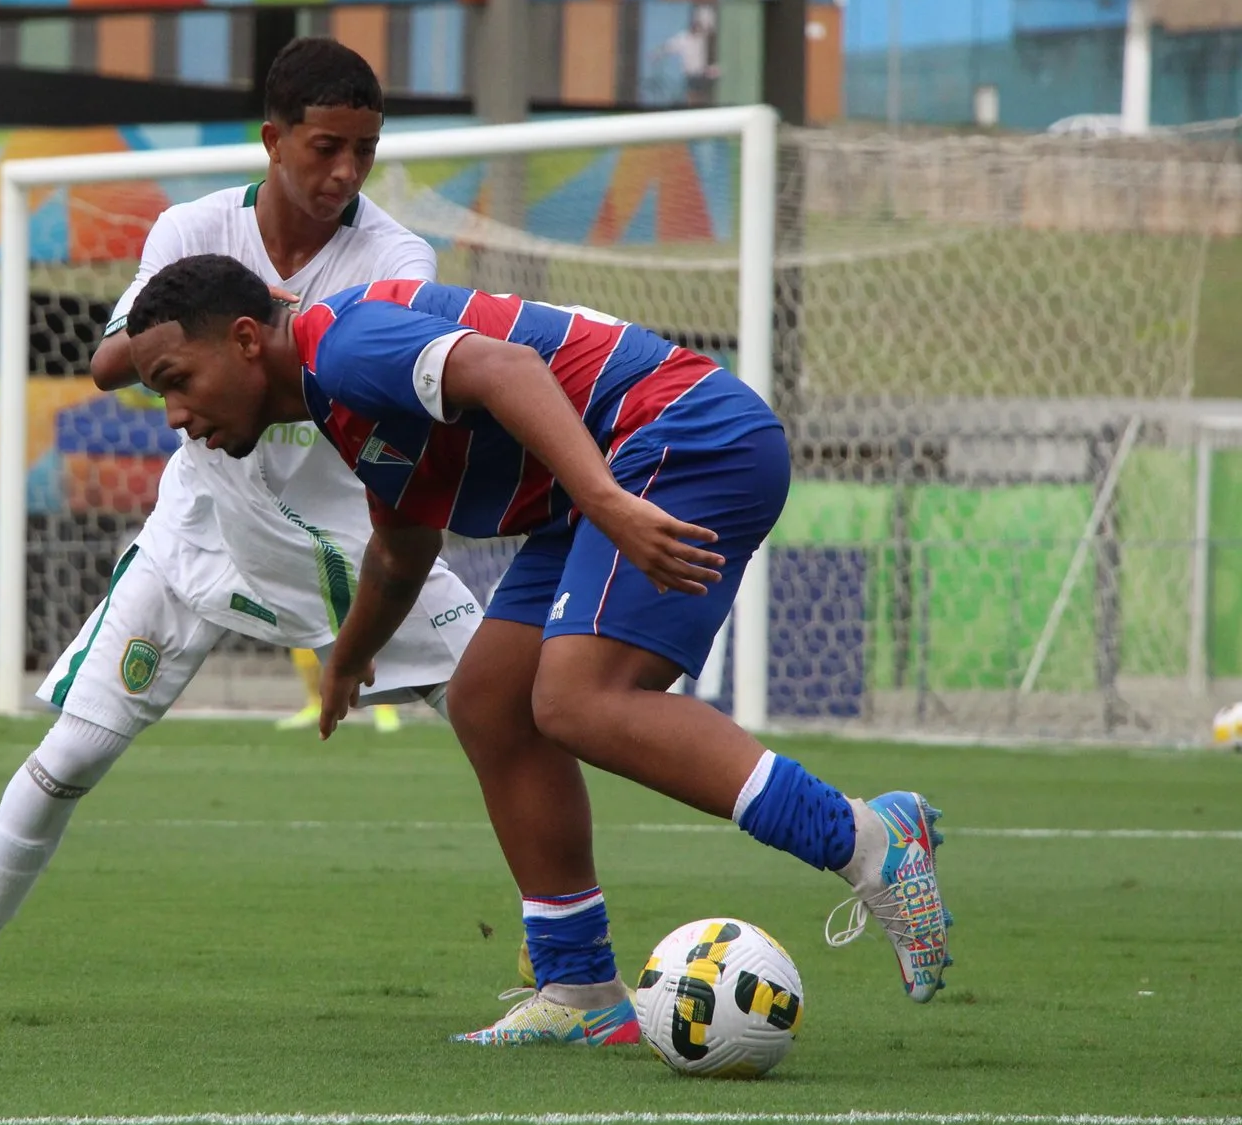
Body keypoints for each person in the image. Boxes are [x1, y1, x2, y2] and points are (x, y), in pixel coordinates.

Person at [122, 258, 954, 1044]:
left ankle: (867, 838)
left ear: (242, 340)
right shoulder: (337, 400)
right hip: (601, 484)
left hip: (675, 431)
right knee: (490, 700)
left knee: (576, 699)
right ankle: (581, 990)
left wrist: (608, 501)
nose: (177, 416)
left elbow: (509, 368)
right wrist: (348, 655)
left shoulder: (342, 346)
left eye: (177, 381)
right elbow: (401, 548)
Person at [0, 38, 480, 1015]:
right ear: (272, 139)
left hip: (354, 532)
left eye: (363, 151)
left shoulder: (395, 256)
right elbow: (107, 363)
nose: (344, 172)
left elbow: (357, 387)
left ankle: (555, 945)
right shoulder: (190, 229)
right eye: (325, 147)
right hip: (205, 524)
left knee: (502, 714)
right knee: (74, 751)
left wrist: (275, 339)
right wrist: (233, 317)